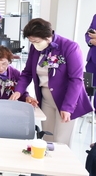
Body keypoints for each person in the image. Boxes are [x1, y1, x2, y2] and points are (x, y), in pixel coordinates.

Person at [10, 18, 92, 148]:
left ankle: (61, 167)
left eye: (36, 41)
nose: (34, 44)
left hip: (67, 99)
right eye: (31, 41)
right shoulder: (35, 48)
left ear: (48, 37)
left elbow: (76, 79)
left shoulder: (70, 47)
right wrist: (19, 90)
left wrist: (68, 107)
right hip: (46, 99)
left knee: (61, 140)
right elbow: (27, 73)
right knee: (47, 137)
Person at [85, 15, 96, 108]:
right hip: (92, 59)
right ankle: (88, 109)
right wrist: (91, 41)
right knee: (89, 87)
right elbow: (88, 34)